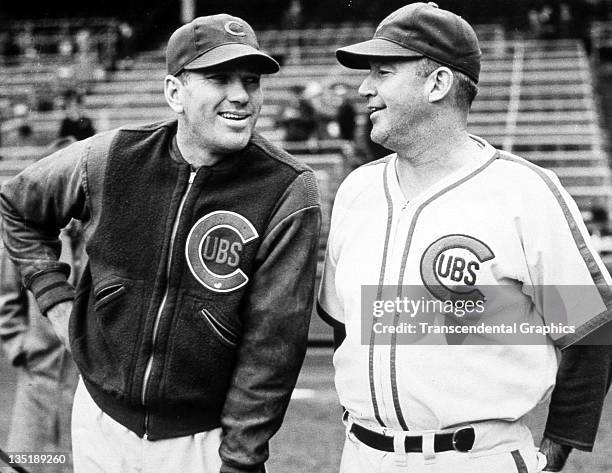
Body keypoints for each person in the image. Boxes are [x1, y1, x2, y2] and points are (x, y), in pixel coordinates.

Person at [0, 14, 321, 473]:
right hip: (99, 421)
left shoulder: (287, 187)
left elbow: (272, 349)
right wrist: (56, 302)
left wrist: (241, 460)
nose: (241, 95)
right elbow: (17, 204)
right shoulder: (111, 156)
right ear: (175, 92)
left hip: (201, 440)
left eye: (251, 80)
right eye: (218, 78)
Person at [317, 3, 612, 473]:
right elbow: (343, 326)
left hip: (477, 457)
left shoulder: (523, 193)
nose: (363, 88)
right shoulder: (357, 190)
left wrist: (554, 455)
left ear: (438, 84)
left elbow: (591, 328)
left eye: (383, 71)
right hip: (363, 456)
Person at [0, 137, 81, 473]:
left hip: (83, 389)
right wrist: (20, 347)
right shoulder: (24, 240)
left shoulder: (102, 236)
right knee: (29, 464)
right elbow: (7, 301)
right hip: (37, 380)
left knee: (78, 463)